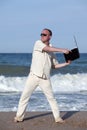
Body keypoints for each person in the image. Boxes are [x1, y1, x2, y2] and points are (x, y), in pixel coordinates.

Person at [14, 28, 71, 123]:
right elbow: (47, 49)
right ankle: (19, 117)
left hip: (45, 78)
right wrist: (62, 50)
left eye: (44, 34)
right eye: (41, 34)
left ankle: (57, 118)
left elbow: (54, 66)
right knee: (24, 97)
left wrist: (66, 64)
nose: (42, 36)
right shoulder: (38, 43)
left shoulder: (52, 52)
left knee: (52, 99)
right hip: (33, 76)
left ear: (49, 36)